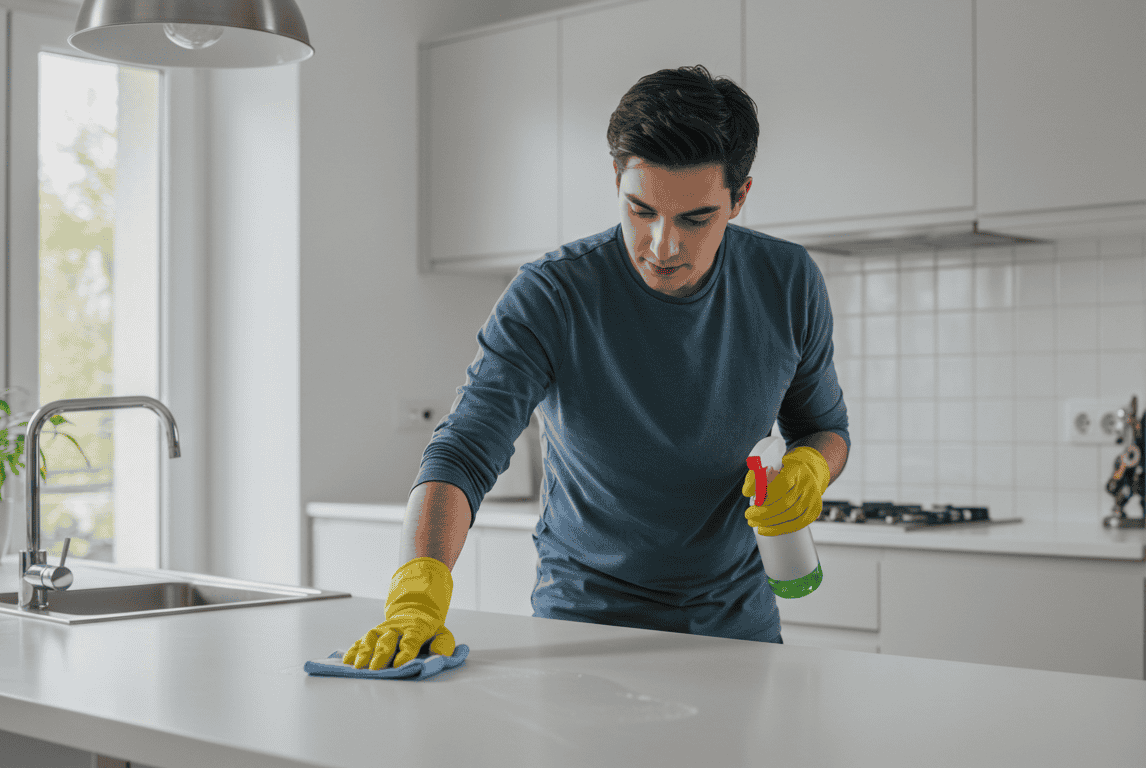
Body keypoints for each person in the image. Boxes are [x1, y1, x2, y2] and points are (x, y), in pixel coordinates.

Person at [344, 65, 850, 670]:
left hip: (735, 630)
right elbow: (463, 450)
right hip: (580, 630)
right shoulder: (551, 294)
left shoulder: (787, 283)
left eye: (695, 219)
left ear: (739, 197)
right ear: (616, 179)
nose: (663, 246)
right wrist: (415, 597)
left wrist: (810, 469)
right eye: (641, 210)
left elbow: (824, 427)